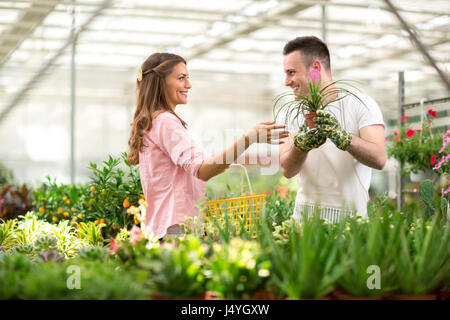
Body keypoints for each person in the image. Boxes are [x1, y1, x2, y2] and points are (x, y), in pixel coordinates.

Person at [128, 52, 289, 240]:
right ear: (161, 82)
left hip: (164, 228)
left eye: (188, 78)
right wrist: (248, 139)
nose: (188, 85)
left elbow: (196, 170)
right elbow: (202, 170)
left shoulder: (153, 121)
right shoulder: (165, 121)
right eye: (181, 78)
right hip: (176, 231)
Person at [279, 36, 386, 222]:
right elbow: (287, 169)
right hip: (305, 217)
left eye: (291, 72)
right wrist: (301, 146)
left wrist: (342, 137)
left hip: (350, 219)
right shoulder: (291, 112)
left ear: (315, 68)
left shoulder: (360, 104)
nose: (286, 81)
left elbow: (379, 159)